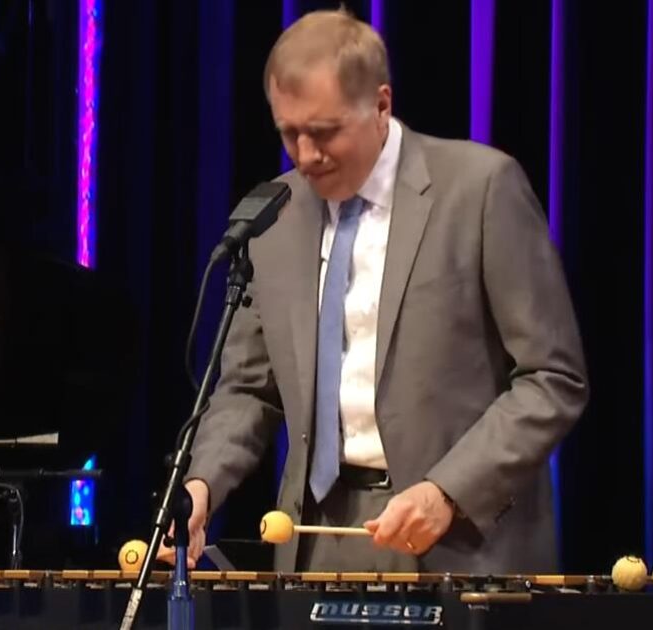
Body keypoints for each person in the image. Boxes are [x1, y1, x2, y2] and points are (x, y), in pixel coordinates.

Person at [161, 8, 588, 574]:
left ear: (382, 105)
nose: (305, 155)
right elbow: (247, 388)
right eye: (289, 133)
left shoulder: (480, 189)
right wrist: (201, 484)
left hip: (458, 540)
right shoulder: (275, 216)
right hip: (315, 541)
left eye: (325, 132)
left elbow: (552, 378)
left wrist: (448, 491)